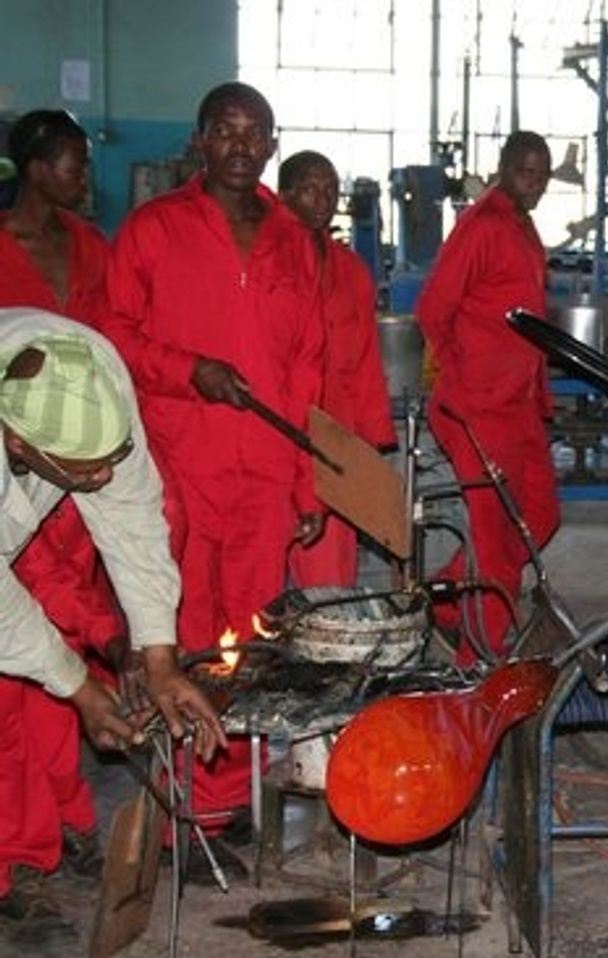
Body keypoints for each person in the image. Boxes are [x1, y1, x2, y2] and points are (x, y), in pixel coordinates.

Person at [101, 81, 324, 853]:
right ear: (199, 140)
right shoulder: (154, 229)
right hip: (179, 471)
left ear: (271, 144)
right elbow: (112, 335)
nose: (240, 145)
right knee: (182, 640)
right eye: (224, 130)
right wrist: (187, 368)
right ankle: (180, 814)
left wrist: (306, 483)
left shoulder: (293, 240)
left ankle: (229, 804)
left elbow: (305, 372)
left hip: (264, 475)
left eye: (254, 133)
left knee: (252, 646)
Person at [0, 308, 224, 947]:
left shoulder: (93, 371)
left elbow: (131, 517)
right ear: (19, 444)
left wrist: (160, 658)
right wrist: (79, 687)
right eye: (85, 469)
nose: (101, 477)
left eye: (109, 458)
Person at [0, 109, 129, 910]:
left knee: (65, 659)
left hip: (70, 481)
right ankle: (15, 854)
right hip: (16, 473)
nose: (86, 177)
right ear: (36, 167)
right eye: (75, 164)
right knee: (17, 678)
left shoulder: (91, 247)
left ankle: (62, 820)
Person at [416, 130, 558, 660]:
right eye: (525, 172)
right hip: (478, 406)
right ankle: (480, 656)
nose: (535, 183)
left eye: (543, 175)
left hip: (519, 403)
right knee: (495, 535)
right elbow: (432, 308)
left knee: (540, 515)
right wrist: (464, 379)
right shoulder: (482, 227)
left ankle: (446, 599)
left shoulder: (522, 225)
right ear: (502, 168)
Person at [279, 150, 396, 587]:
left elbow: (365, 359)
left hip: (336, 434)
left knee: (330, 575)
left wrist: (372, 437)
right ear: (284, 195)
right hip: (280, 429)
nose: (322, 199)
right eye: (309, 189)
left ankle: (326, 630)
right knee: (258, 572)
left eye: (330, 190)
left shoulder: (351, 269)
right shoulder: (268, 261)